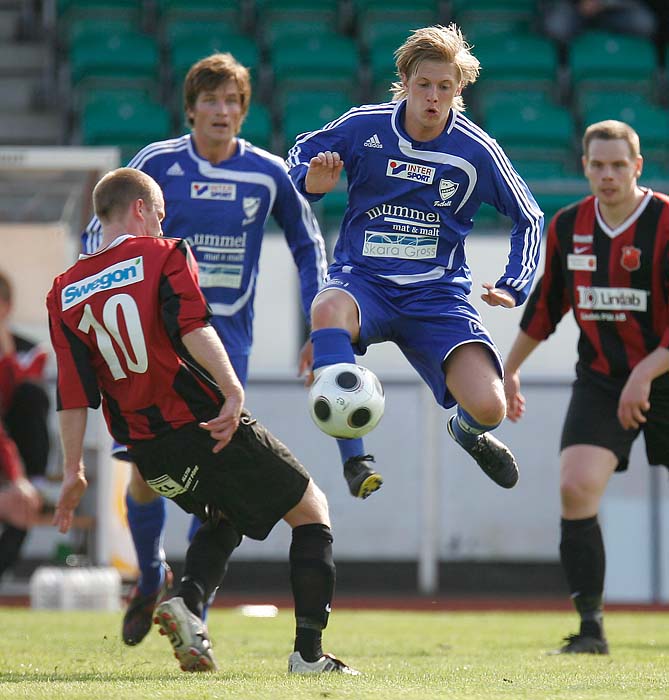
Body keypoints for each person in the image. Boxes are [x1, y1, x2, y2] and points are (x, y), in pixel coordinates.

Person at [48, 167, 358, 675]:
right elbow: (192, 326)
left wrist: (73, 471)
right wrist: (232, 388)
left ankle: (187, 602)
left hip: (146, 450)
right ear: (143, 209)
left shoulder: (64, 291)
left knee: (225, 513)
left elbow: (73, 391)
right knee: (311, 508)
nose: (162, 222)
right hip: (200, 421)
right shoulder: (165, 253)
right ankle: (308, 655)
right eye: (160, 213)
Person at [81, 52, 333, 647]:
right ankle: (150, 576)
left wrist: (319, 335)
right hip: (152, 354)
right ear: (189, 107)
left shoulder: (269, 173)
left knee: (214, 488)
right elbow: (101, 240)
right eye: (211, 100)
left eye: (232, 102)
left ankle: (193, 614)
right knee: (147, 476)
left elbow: (309, 248)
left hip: (225, 353)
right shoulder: (156, 164)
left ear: (244, 111)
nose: (222, 111)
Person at [286, 24, 544, 488]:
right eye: (423, 83)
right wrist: (310, 181)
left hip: (436, 296)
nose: (432, 95)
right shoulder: (365, 125)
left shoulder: (475, 151)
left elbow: (529, 216)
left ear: (458, 89)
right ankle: (355, 460)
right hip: (364, 281)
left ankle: (468, 435)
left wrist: (512, 284)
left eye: (444, 87)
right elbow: (303, 150)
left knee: (490, 407)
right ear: (405, 80)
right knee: (326, 309)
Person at [503, 119, 669, 654]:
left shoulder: (666, 221)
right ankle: (591, 629)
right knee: (576, 486)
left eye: (619, 165)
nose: (608, 175)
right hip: (601, 377)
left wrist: (645, 374)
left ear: (637, 167)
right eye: (597, 165)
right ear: (584, 168)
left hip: (663, 372)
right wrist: (509, 368)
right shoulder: (568, 225)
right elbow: (547, 305)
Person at [0, 271, 50, 581]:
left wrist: (20, 479)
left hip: (10, 446)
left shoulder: (29, 348)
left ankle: (34, 482)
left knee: (23, 507)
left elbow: (20, 389)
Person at [539, 0, 658, 45]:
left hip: (614, 9)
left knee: (644, 23)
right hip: (574, 8)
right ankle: (564, 72)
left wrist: (602, 3)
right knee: (556, 25)